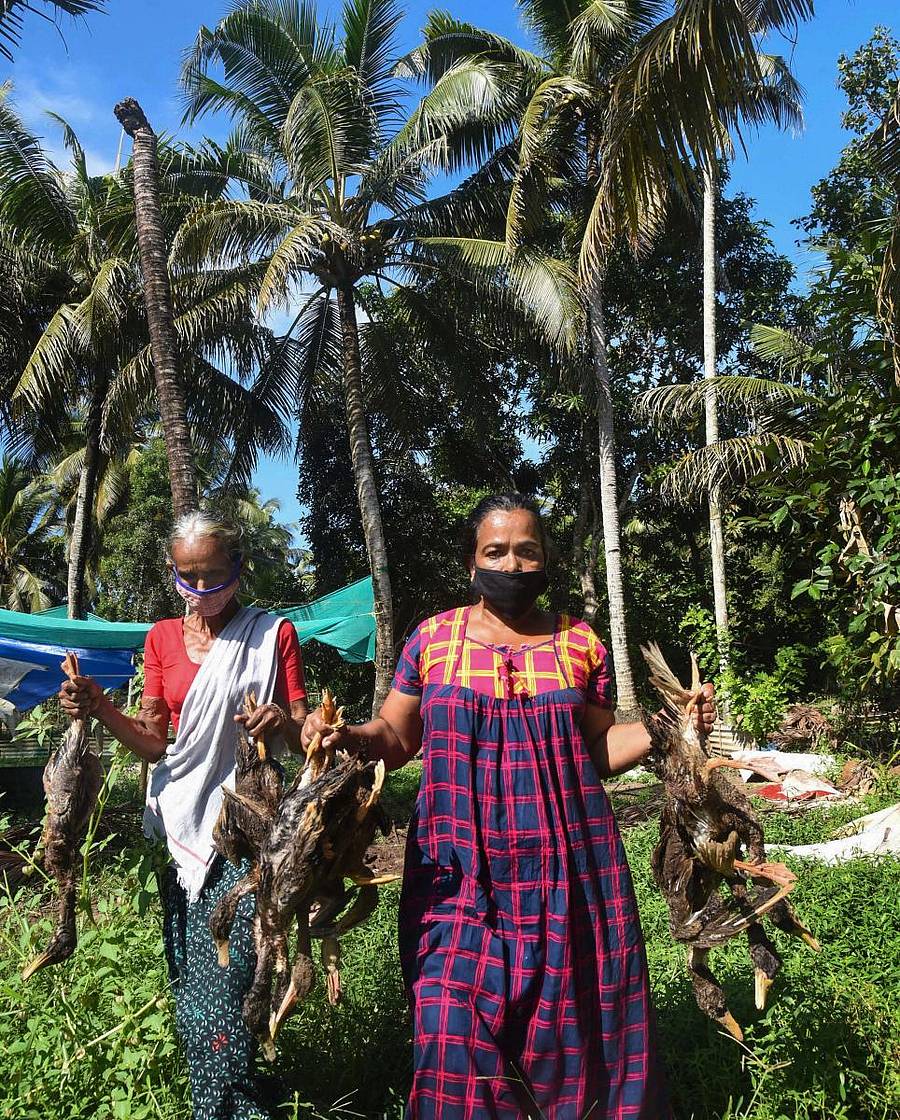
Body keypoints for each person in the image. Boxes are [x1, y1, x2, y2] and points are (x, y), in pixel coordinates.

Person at [302, 492, 715, 1119]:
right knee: (449, 1025)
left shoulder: (581, 644)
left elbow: (600, 748)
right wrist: (348, 737)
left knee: (567, 1034)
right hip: (457, 868)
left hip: (569, 868)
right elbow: (395, 735)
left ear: (545, 559)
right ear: (473, 562)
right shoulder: (432, 640)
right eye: (496, 551)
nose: (513, 565)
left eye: (527, 551)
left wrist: (671, 727)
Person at [59, 511, 309, 1120]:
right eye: (187, 576)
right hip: (178, 829)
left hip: (248, 827)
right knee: (192, 990)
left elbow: (308, 735)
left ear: (238, 570)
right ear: (173, 574)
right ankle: (233, 1101)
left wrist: (283, 721)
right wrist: (98, 706)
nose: (201, 589)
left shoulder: (272, 635)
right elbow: (152, 741)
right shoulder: (161, 640)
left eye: (213, 575)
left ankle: (227, 1107)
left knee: (227, 982)